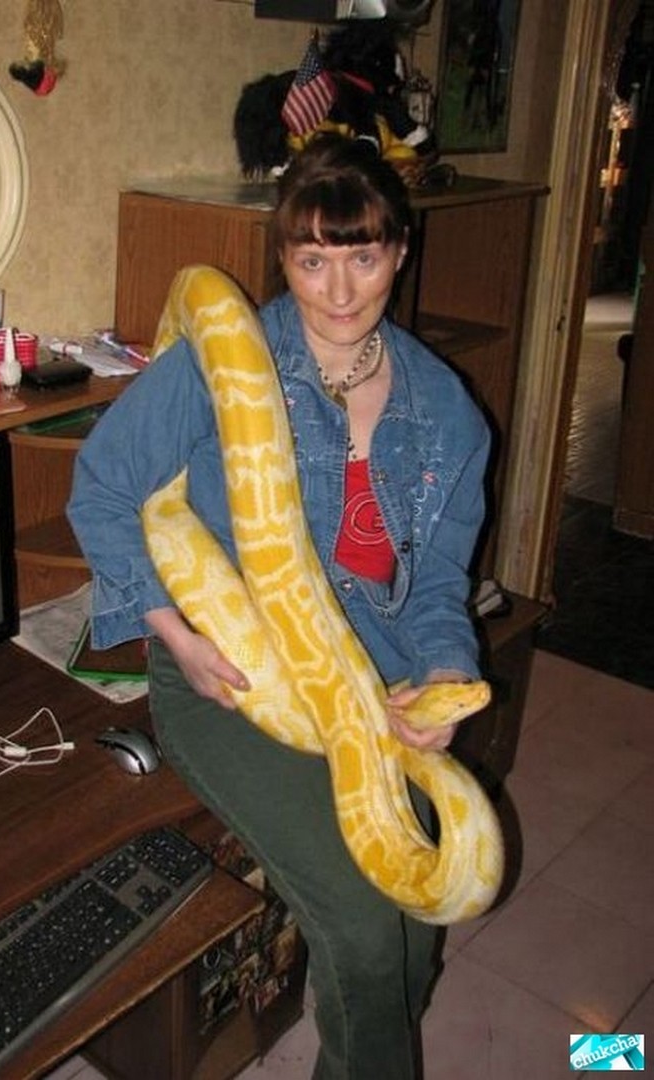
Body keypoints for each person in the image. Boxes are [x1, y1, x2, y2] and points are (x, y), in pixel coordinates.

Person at [67, 133, 491, 1080]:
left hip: (368, 685)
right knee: (364, 930)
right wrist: (174, 634)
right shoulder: (222, 362)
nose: (338, 292)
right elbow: (101, 488)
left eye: (362, 258)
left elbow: (436, 585)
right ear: (284, 260)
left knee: (418, 925)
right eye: (311, 261)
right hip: (229, 680)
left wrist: (443, 670)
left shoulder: (444, 411)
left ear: (399, 253)